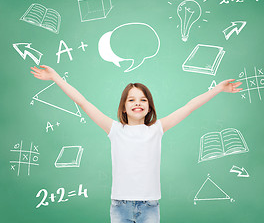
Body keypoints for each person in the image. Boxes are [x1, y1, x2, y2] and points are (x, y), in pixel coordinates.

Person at [30, 65, 242, 223]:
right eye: (131, 100)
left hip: (150, 207)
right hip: (120, 207)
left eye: (142, 100)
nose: (137, 103)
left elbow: (189, 107)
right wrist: (55, 78)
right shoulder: (114, 129)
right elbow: (83, 103)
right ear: (123, 107)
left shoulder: (157, 129)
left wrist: (218, 89)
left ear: (149, 107)